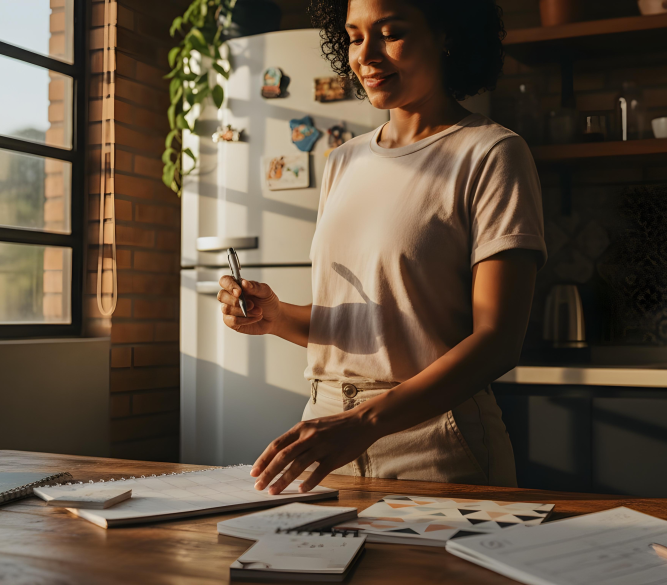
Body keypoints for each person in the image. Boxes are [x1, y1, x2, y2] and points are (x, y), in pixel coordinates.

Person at [216, 0, 546, 494]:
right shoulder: (342, 161)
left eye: (391, 33)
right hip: (324, 432)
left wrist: (365, 423)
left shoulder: (492, 153)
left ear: (446, 36)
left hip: (435, 441)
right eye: (353, 37)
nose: (366, 55)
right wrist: (278, 317)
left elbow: (498, 339)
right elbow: (367, 327)